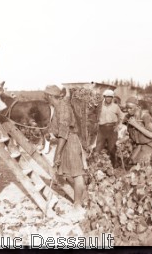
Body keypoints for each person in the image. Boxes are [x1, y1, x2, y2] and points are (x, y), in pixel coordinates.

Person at [44, 85, 87, 217]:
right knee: (67, 174)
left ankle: (78, 205)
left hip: (70, 142)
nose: (45, 97)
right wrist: (50, 135)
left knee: (77, 174)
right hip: (65, 142)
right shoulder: (57, 107)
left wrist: (57, 154)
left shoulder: (63, 108)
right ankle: (82, 196)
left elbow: (64, 132)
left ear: (51, 96)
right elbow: (58, 130)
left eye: (46, 95)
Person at [94, 89, 124, 168]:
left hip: (112, 129)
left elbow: (122, 116)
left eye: (110, 97)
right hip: (102, 129)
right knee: (98, 148)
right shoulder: (99, 106)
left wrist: (119, 126)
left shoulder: (115, 107)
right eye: (107, 97)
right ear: (104, 97)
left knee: (112, 149)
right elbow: (94, 116)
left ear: (112, 98)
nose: (108, 99)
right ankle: (96, 166)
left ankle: (114, 166)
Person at [123, 96, 152, 165]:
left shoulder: (145, 116)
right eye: (127, 108)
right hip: (138, 145)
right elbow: (129, 135)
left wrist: (136, 125)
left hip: (148, 145)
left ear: (137, 107)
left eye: (130, 108)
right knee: (131, 162)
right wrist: (120, 141)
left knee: (140, 164)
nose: (128, 110)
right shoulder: (129, 117)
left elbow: (151, 135)